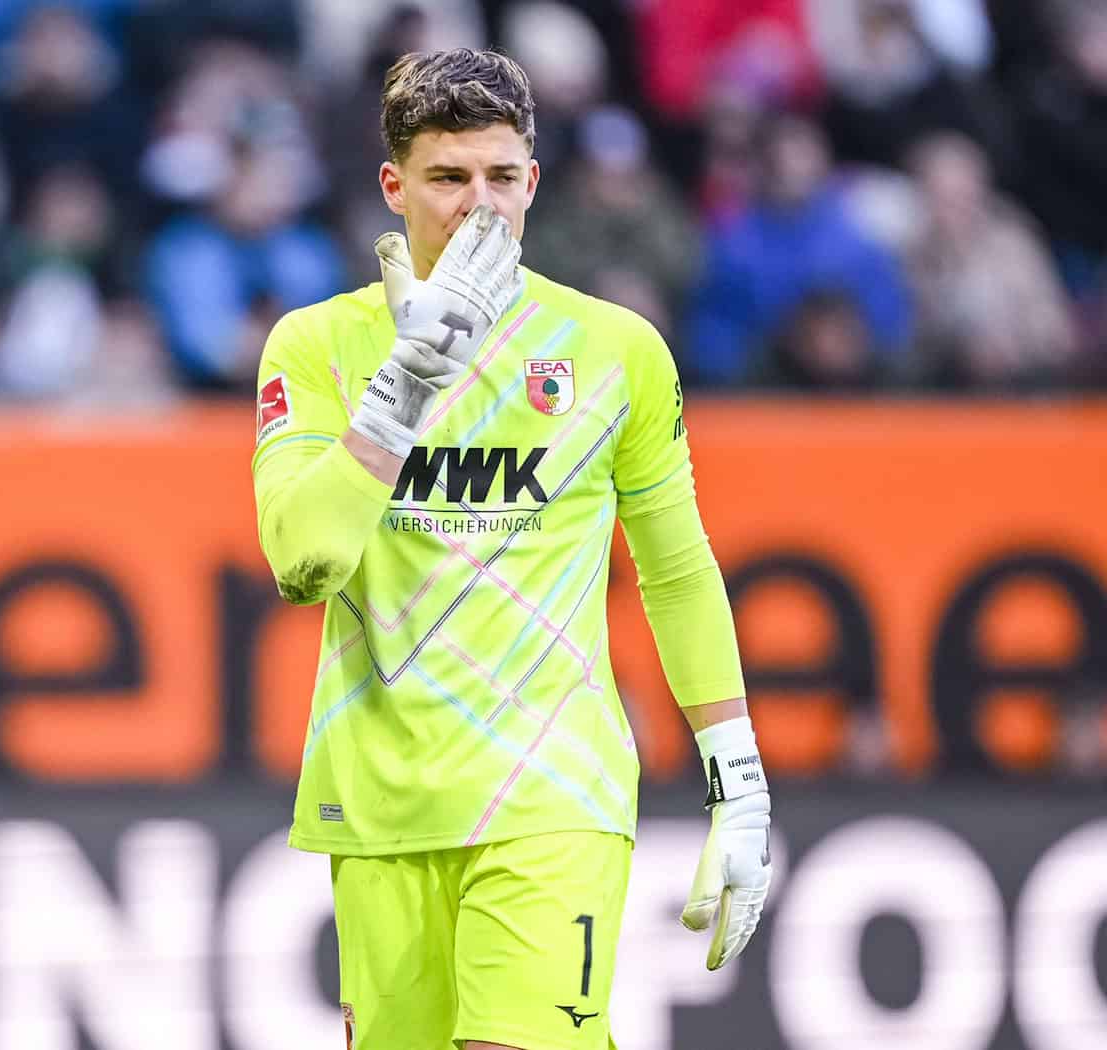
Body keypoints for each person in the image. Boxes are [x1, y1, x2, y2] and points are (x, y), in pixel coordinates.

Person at [250, 49, 771, 1050]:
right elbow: (301, 561)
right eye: (446, 179)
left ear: (532, 180)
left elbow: (673, 567)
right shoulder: (315, 346)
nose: (475, 207)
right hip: (380, 800)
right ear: (393, 187)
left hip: (553, 789)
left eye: (499, 176)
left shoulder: (615, 349)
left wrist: (733, 774)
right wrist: (402, 388)